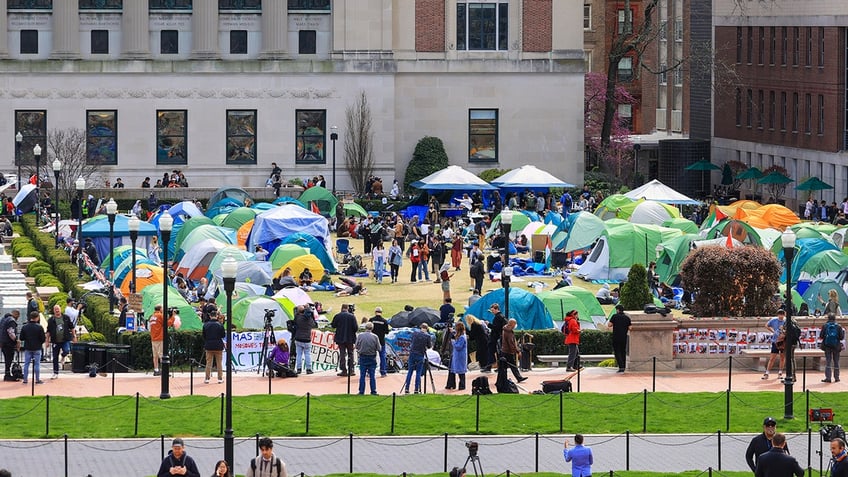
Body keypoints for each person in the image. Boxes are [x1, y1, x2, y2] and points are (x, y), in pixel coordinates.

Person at [46, 304, 75, 380]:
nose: (57, 310)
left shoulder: (66, 318)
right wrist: (47, 341)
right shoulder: (51, 320)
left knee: (67, 350)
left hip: (65, 339)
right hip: (55, 341)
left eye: (58, 309)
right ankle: (55, 372)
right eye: (55, 309)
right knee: (55, 357)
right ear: (53, 310)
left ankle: (63, 356)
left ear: (60, 309)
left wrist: (74, 336)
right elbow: (48, 331)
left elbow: (72, 327)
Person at [403, 323, 433, 394]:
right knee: (418, 373)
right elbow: (429, 346)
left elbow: (412, 340)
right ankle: (416, 389)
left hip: (412, 354)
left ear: (421, 327)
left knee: (410, 372)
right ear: (427, 329)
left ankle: (407, 388)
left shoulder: (415, 333)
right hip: (420, 354)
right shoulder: (427, 336)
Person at [331, 304, 358, 376]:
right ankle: (351, 369)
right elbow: (355, 328)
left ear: (342, 308)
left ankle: (343, 370)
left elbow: (333, 325)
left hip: (340, 338)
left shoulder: (338, 316)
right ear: (347, 308)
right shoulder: (352, 316)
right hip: (350, 338)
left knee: (342, 354)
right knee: (350, 354)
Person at [355, 322, 381, 395]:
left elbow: (356, 346)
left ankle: (361, 391)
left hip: (363, 356)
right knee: (372, 375)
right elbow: (379, 348)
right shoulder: (375, 337)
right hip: (372, 357)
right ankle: (373, 391)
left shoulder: (360, 336)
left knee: (362, 375)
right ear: (372, 328)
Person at [19, 311, 45, 384]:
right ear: (37, 318)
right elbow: (43, 338)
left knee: (26, 364)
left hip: (28, 347)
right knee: (37, 364)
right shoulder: (39, 327)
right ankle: (37, 379)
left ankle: (25, 379)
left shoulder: (25, 327)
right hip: (37, 347)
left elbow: (21, 338)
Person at [149, 305, 174, 377]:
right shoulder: (160, 315)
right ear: (160, 309)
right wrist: (173, 317)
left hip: (153, 338)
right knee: (162, 355)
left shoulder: (152, 316)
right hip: (160, 338)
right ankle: (164, 371)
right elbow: (167, 323)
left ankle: (156, 370)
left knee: (155, 355)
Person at [820, 313, 844, 383]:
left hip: (827, 346)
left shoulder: (825, 326)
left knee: (828, 361)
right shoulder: (838, 326)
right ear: (835, 318)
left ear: (828, 318)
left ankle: (828, 378)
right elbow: (841, 337)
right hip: (836, 346)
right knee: (836, 361)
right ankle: (837, 378)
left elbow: (821, 336)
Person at [202, 311, 225, 384]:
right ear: (216, 316)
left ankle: (207, 378)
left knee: (208, 363)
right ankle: (220, 378)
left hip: (209, 345)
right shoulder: (220, 325)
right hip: (218, 345)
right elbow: (223, 335)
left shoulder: (205, 325)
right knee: (219, 363)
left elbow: (204, 336)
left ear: (210, 316)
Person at [762, 310, 786, 380]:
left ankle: (780, 373)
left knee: (782, 357)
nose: (781, 316)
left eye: (782, 314)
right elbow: (766, 325)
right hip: (775, 341)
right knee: (772, 357)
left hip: (783, 342)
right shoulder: (774, 320)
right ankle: (767, 373)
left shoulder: (786, 321)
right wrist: (773, 331)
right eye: (780, 314)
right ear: (778, 315)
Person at [293, 305, 317, 374]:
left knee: (299, 354)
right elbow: (314, 324)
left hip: (298, 338)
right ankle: (308, 369)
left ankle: (299, 369)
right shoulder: (309, 319)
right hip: (307, 338)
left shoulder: (298, 318)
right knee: (307, 354)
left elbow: (294, 322)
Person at [607, 305, 631, 373]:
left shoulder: (615, 316)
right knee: (623, 351)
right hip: (624, 337)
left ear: (617, 310)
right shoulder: (627, 318)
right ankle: (624, 366)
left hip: (616, 337)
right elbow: (630, 328)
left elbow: (609, 325)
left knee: (617, 351)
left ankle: (621, 367)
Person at [484, 303, 506, 373]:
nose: (492, 312)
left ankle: (489, 366)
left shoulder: (498, 317)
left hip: (495, 337)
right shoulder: (501, 316)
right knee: (498, 353)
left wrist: (488, 324)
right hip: (498, 337)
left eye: (493, 310)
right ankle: (498, 367)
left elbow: (496, 328)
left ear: (496, 309)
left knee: (491, 351)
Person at [446, 322, 468, 390]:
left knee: (461, 371)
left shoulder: (462, 337)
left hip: (460, 356)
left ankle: (462, 386)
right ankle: (452, 384)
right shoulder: (461, 335)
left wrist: (453, 342)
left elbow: (458, 347)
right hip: (456, 355)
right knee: (453, 369)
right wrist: (452, 331)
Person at [369, 307, 390, 377]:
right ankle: (383, 372)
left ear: (375, 312)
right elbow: (387, 332)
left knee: (371, 356)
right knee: (382, 357)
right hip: (381, 341)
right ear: (381, 312)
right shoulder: (384, 321)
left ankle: (370, 371)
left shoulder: (371, 320)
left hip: (372, 341)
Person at [1, 310, 20, 381]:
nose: (17, 318)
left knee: (6, 359)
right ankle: (7, 375)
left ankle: (7, 373)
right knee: (9, 359)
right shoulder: (11, 321)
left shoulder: (3, 319)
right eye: (18, 316)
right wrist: (16, 341)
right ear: (16, 314)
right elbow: (11, 332)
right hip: (9, 343)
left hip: (3, 342)